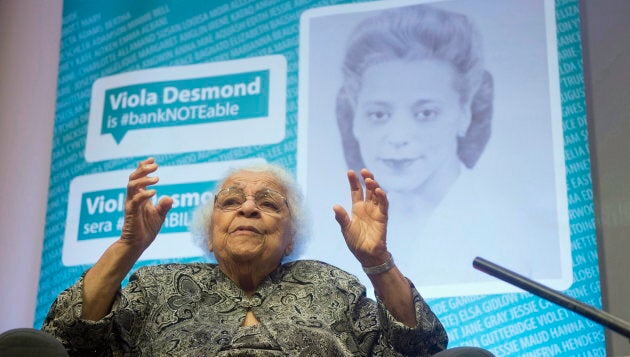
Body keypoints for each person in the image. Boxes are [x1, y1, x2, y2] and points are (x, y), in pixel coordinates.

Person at [42, 157, 450, 356]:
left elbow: (418, 347)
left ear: (291, 237)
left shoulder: (331, 285)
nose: (249, 208)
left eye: (269, 203)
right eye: (232, 201)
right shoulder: (156, 286)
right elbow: (70, 338)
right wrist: (127, 247)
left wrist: (377, 260)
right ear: (210, 229)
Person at [334, 4, 543, 287]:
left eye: (425, 113)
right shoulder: (331, 237)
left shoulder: (513, 233)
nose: (399, 136)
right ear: (355, 118)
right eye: (379, 114)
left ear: (465, 114)